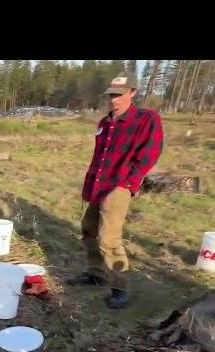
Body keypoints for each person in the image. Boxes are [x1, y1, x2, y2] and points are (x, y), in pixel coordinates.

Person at [67, 72, 164, 309]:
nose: (114, 99)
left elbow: (150, 153)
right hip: (95, 184)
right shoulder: (105, 122)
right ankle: (95, 273)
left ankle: (120, 287)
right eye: (111, 95)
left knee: (108, 238)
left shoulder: (146, 119)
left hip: (118, 186)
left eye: (119, 95)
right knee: (88, 230)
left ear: (132, 92)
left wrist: (129, 182)